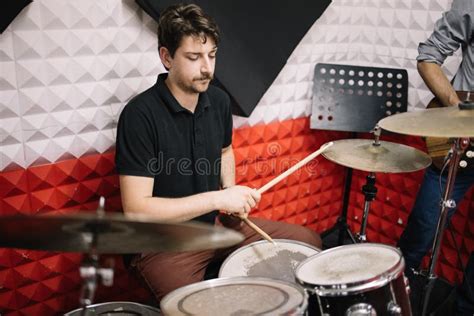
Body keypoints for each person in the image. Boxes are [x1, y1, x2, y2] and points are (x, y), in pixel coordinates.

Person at [115, 3, 321, 303]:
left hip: (213, 227)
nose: (207, 68)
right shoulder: (139, 115)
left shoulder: (219, 101)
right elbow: (137, 210)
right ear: (166, 57)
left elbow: (225, 151)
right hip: (163, 244)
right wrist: (218, 198)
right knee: (198, 307)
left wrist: (229, 191)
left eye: (211, 56)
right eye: (194, 57)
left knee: (309, 243)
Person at [397, 0, 474, 314]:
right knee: (424, 224)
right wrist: (458, 112)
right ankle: (396, 296)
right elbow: (429, 56)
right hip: (460, 136)